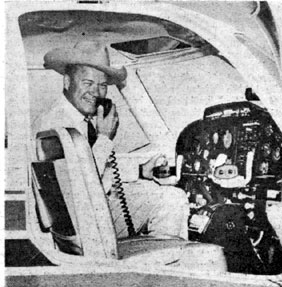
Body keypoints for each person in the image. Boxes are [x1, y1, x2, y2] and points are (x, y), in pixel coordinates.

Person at [40, 40, 189, 241]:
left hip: (84, 215)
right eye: (87, 83)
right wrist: (104, 138)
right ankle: (164, 262)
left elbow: (91, 167)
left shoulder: (71, 117)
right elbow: (81, 185)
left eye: (102, 85)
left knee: (150, 189)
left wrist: (138, 171)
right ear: (67, 82)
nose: (96, 92)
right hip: (84, 226)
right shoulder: (58, 124)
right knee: (172, 198)